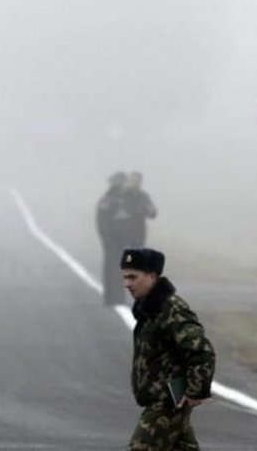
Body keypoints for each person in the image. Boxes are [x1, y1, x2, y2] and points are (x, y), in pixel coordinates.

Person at [121, 248, 215, 451]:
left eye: (133, 277)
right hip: (165, 402)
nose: (127, 284)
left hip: (166, 403)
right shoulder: (149, 310)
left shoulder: (170, 309)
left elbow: (201, 351)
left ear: (152, 276)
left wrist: (195, 391)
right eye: (125, 277)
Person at [96, 172, 130, 305]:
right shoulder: (109, 199)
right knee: (113, 267)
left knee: (117, 267)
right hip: (112, 239)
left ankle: (116, 297)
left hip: (118, 239)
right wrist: (108, 238)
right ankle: (112, 298)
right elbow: (103, 222)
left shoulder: (118, 199)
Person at [123, 171, 158, 248]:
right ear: (129, 181)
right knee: (124, 257)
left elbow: (152, 214)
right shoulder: (122, 194)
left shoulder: (144, 196)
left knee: (137, 256)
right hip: (124, 232)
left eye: (137, 181)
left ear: (140, 182)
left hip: (139, 232)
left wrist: (152, 211)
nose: (135, 183)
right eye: (132, 181)